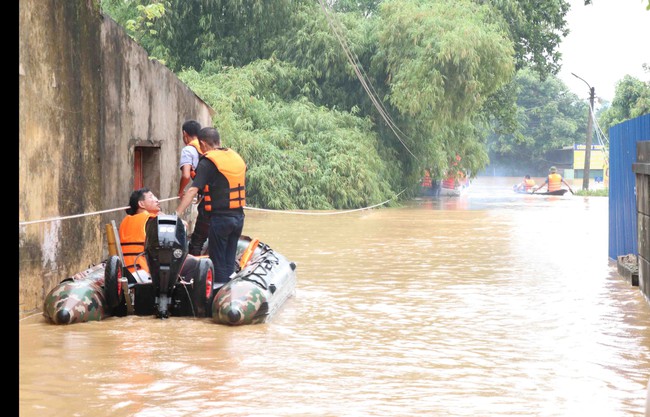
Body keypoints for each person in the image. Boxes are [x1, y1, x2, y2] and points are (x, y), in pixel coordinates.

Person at [175, 126, 247, 285]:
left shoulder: (208, 162)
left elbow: (193, 189)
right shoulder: (235, 157)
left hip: (221, 220)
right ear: (218, 141)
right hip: (239, 218)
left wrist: (177, 214)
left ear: (202, 144)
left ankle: (219, 294)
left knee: (218, 261)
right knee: (229, 259)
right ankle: (230, 289)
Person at [119, 187, 198, 283]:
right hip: (144, 270)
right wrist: (163, 216)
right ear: (141, 204)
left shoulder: (125, 221)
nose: (156, 200)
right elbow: (183, 224)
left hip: (126, 270)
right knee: (194, 263)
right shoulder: (152, 219)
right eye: (151, 197)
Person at [178, 120, 209, 256]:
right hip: (216, 198)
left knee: (197, 240)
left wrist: (181, 191)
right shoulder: (207, 148)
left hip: (206, 202)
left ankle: (195, 268)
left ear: (185, 134)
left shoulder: (188, 150)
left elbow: (186, 175)